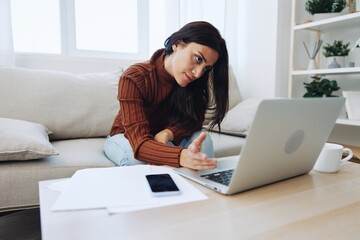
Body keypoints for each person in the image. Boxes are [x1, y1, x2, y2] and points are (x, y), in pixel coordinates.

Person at [104, 21, 229, 170]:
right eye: (198, 59)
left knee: (205, 142)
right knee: (138, 159)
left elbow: (193, 121)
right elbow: (139, 142)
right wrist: (181, 156)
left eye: (206, 68)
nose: (198, 73)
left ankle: (205, 189)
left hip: (163, 136)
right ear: (177, 44)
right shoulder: (135, 77)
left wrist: (168, 133)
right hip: (126, 137)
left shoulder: (194, 82)